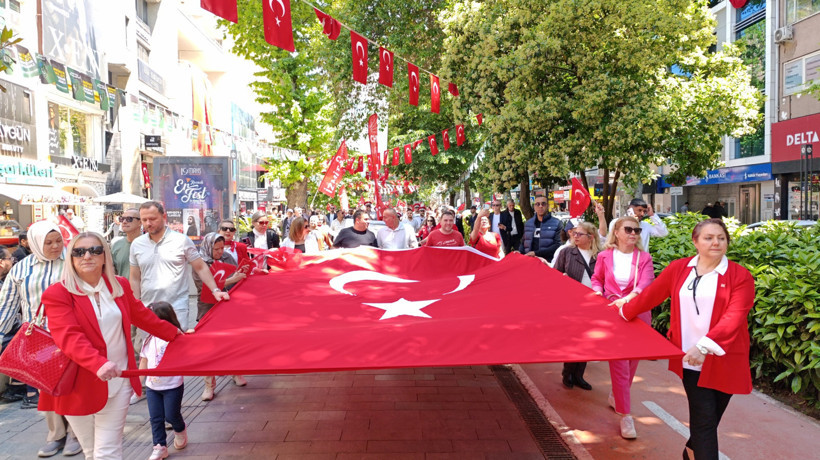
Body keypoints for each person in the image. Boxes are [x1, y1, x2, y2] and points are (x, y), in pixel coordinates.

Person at [39, 232, 182, 460]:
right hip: (76, 383)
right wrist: (98, 363)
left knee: (108, 451)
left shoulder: (119, 285)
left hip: (118, 379)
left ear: (105, 255)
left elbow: (144, 317)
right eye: (79, 251)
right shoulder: (58, 293)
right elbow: (68, 336)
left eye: (95, 250)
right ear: (71, 258)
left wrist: (178, 334)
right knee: (91, 451)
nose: (87, 256)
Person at [619, 219, 753, 460]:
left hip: (725, 357)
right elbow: (652, 295)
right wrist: (622, 312)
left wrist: (705, 346)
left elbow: (735, 316)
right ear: (695, 242)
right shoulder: (679, 268)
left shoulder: (740, 276)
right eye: (708, 238)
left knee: (710, 418)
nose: (716, 242)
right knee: (703, 421)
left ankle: (690, 452)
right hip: (691, 359)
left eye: (721, 238)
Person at [0, 221, 81, 457]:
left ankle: (76, 433)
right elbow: (7, 305)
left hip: (72, 335)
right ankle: (56, 434)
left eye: (58, 241)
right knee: (48, 386)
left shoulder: (73, 261)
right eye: (48, 243)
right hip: (38, 339)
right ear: (35, 243)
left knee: (73, 386)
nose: (55, 246)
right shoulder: (21, 269)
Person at [591, 216, 655, 439]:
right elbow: (596, 278)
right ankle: (625, 414)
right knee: (619, 363)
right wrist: (597, 291)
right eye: (628, 229)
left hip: (637, 314)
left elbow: (645, 283)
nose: (633, 233)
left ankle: (617, 396)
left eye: (637, 230)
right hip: (612, 314)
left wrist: (630, 299)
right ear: (616, 232)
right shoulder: (604, 256)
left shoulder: (644, 258)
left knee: (631, 363)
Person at [130, 201, 229, 331]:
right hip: (148, 308)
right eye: (144, 220)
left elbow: (200, 267)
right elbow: (135, 277)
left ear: (164, 217)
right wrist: (136, 304)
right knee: (150, 350)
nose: (148, 223)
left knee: (176, 348)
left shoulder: (182, 240)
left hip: (177, 307)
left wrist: (215, 290)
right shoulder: (137, 244)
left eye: (153, 219)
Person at [193, 233, 247, 400]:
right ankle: (209, 384)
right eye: (216, 249)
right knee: (208, 347)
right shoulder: (199, 262)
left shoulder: (227, 257)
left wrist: (245, 271)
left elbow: (238, 273)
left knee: (231, 342)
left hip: (228, 306)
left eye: (222, 248)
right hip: (207, 308)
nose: (219, 252)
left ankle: (235, 371)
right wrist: (232, 280)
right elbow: (204, 287)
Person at [552, 221, 603, 391]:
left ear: (591, 237)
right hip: (572, 304)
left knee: (587, 340)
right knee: (573, 339)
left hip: (593, 303)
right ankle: (568, 373)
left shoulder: (600, 256)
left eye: (579, 234)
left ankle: (580, 374)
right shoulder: (566, 252)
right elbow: (555, 276)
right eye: (574, 233)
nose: (575, 236)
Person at [139, 302, 188, 460]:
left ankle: (180, 430)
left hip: (172, 386)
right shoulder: (148, 340)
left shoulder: (175, 336)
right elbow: (144, 361)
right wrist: (138, 383)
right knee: (156, 418)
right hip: (152, 386)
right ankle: (159, 446)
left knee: (171, 415)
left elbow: (187, 353)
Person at [519, 196, 564, 263]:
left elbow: (558, 245)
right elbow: (524, 243)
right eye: (537, 204)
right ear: (534, 207)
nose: (540, 206)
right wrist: (519, 252)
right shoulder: (528, 223)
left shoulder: (557, 223)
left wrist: (536, 253)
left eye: (543, 204)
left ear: (548, 206)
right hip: (529, 261)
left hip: (547, 262)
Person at [111, 209, 141, 279]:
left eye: (129, 219)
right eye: (122, 219)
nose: (124, 222)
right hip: (123, 288)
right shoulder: (116, 245)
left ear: (140, 222)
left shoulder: (149, 244)